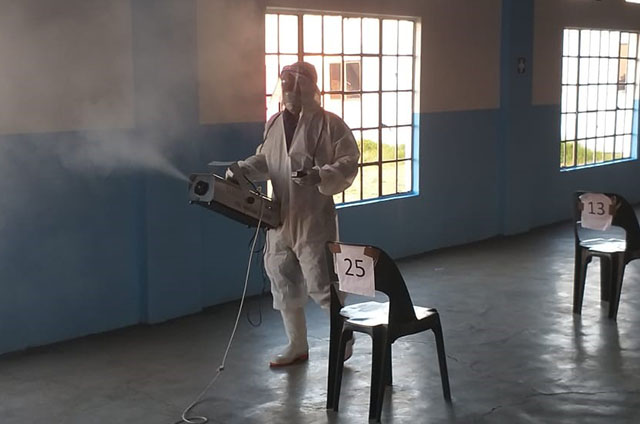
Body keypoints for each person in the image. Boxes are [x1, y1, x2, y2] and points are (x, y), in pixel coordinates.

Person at [226, 62, 360, 367]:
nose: (288, 91)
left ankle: (345, 337)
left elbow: (349, 160)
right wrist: (243, 169)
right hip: (280, 215)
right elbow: (267, 159)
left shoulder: (329, 124)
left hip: (314, 217)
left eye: (294, 85)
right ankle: (297, 345)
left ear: (308, 88)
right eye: (284, 85)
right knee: (282, 278)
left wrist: (321, 175)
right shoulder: (275, 122)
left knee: (322, 282)